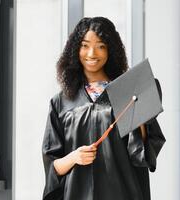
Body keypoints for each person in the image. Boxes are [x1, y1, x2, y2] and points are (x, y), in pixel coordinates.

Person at [42, 17, 165, 200]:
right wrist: (74, 157)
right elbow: (53, 167)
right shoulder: (61, 102)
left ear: (110, 51)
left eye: (101, 46)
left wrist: (142, 115)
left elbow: (143, 156)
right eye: (85, 45)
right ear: (75, 49)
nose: (92, 53)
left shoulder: (127, 92)